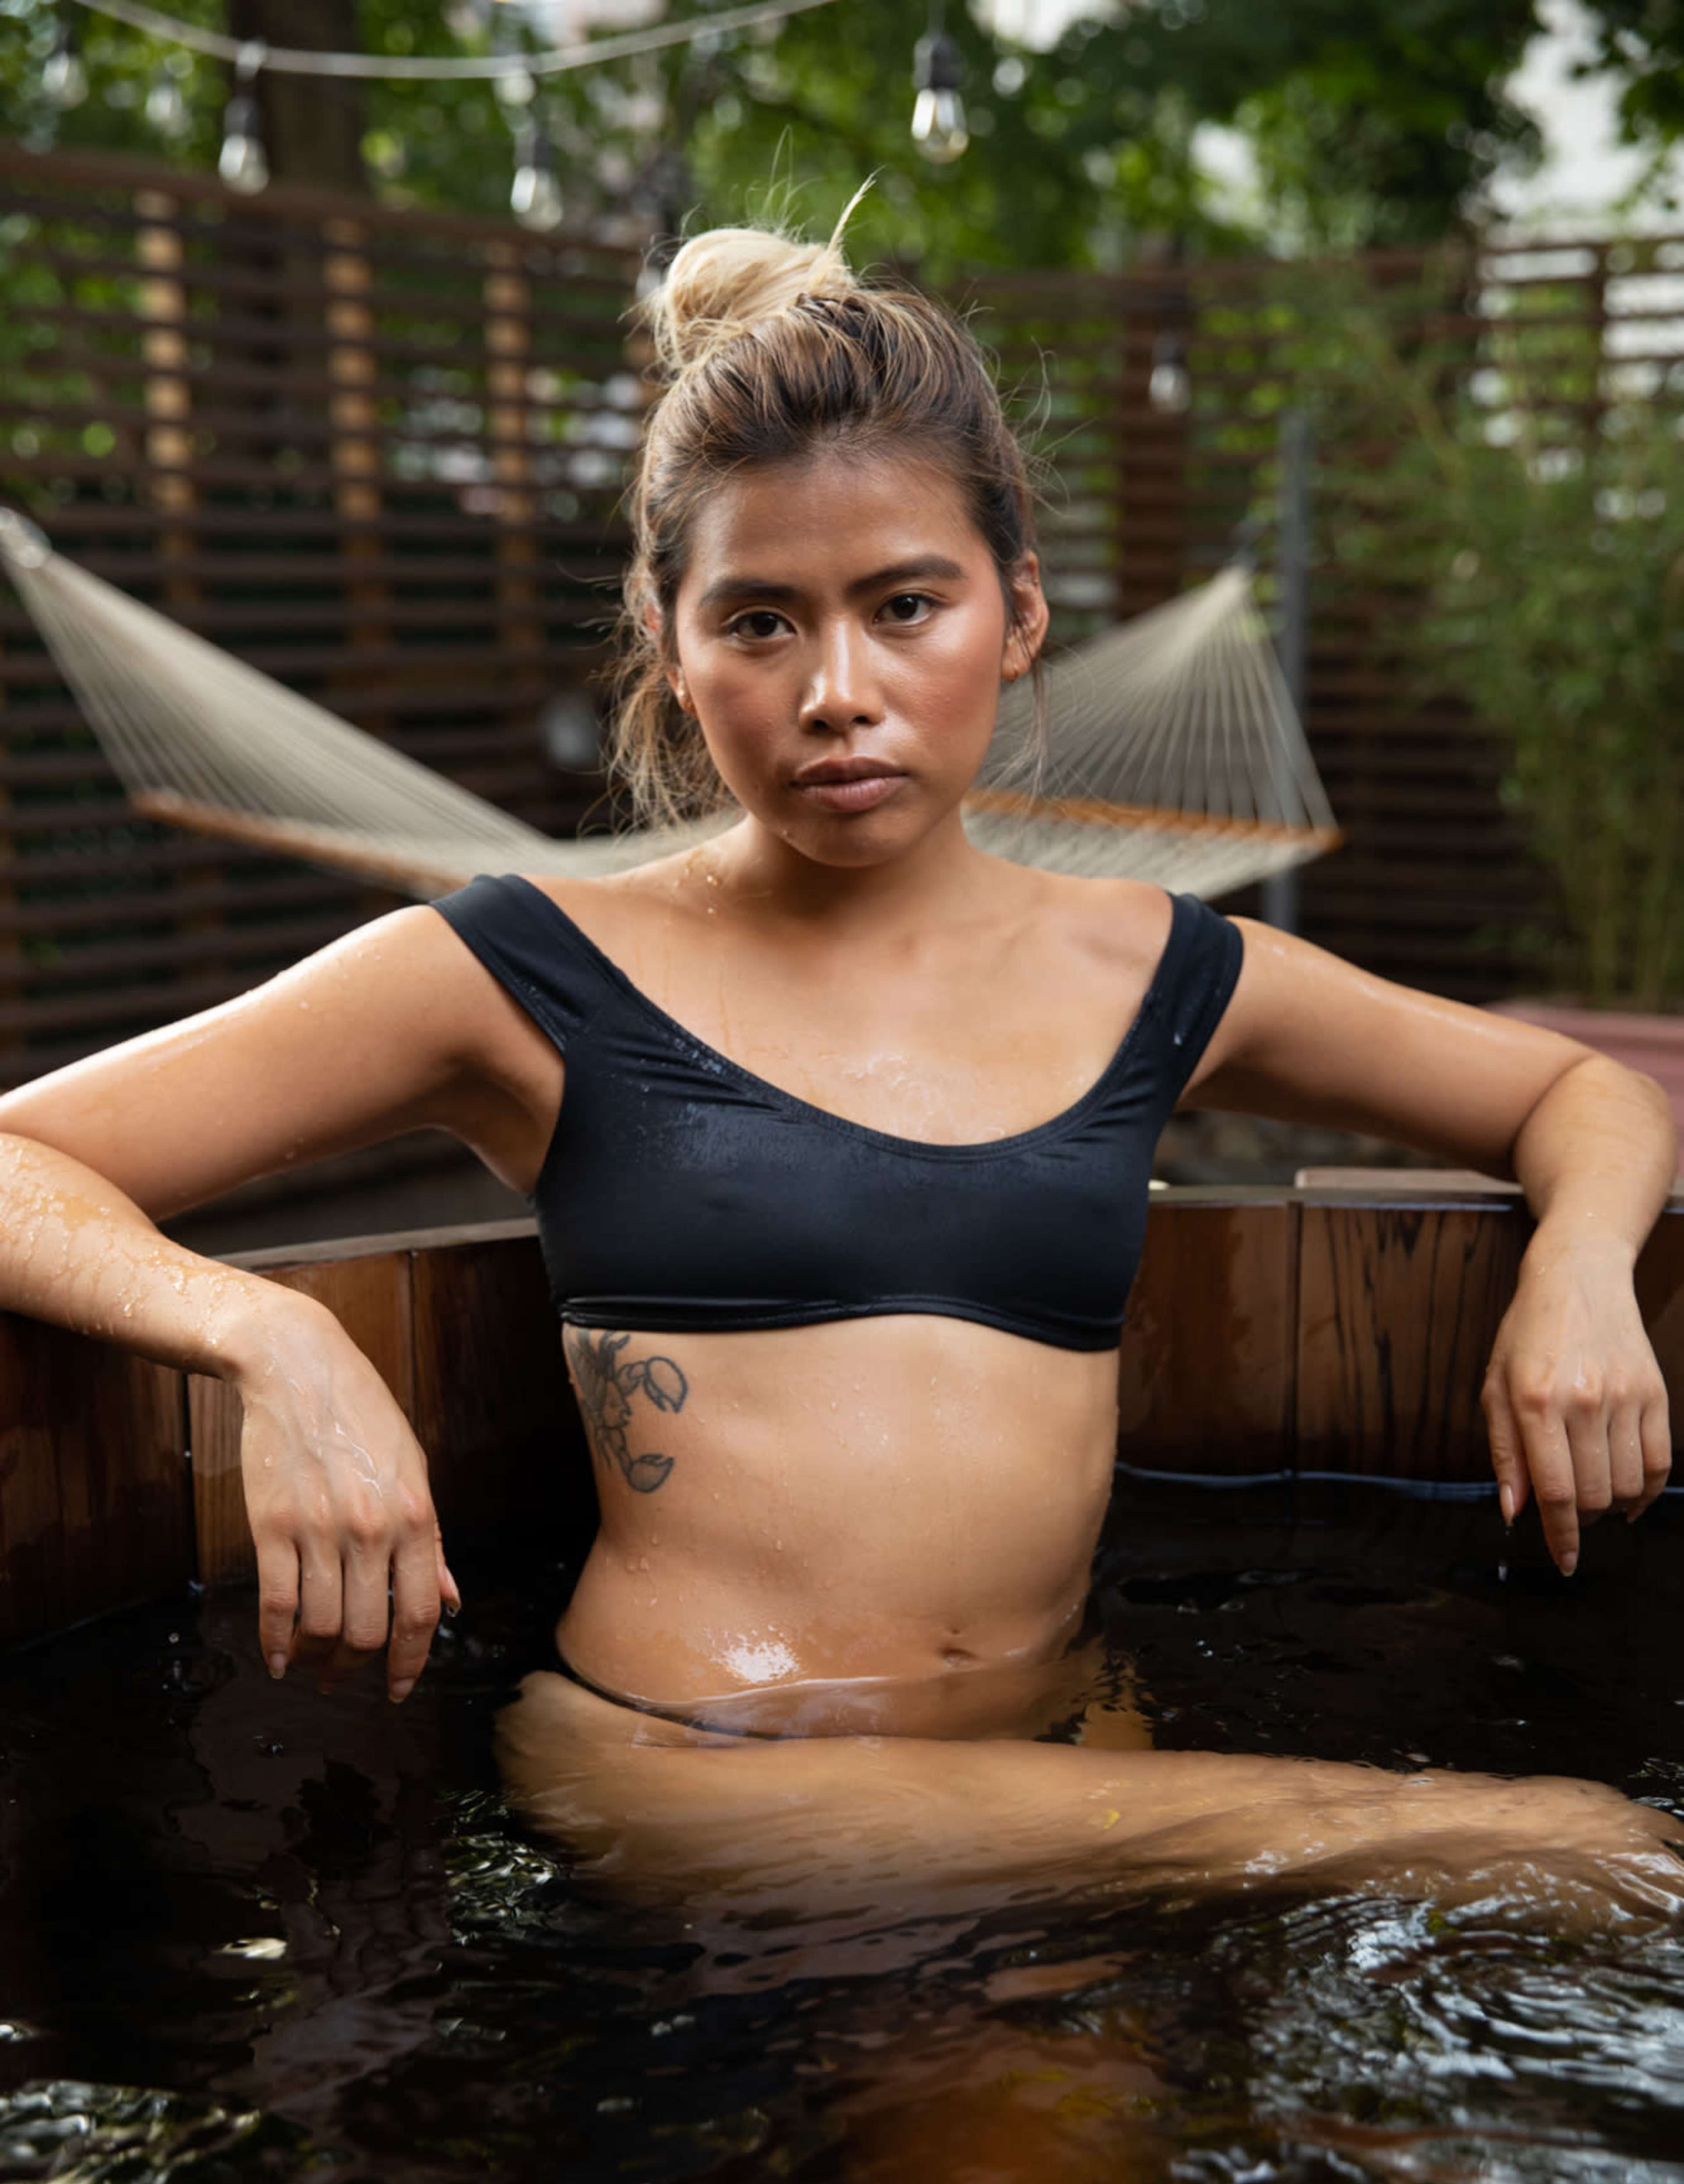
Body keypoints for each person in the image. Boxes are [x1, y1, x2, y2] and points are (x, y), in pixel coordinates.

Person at [0, 214, 1677, 1927]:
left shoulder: (1162, 971)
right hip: (705, 1774)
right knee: (1576, 1847)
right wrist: (277, 1337)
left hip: (1058, 1744)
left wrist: (1580, 1274)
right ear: (671, 642)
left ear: (1017, 614)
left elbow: (1582, 1096)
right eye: (761, 622)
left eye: (902, 606)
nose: (837, 692)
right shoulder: (529, 970)